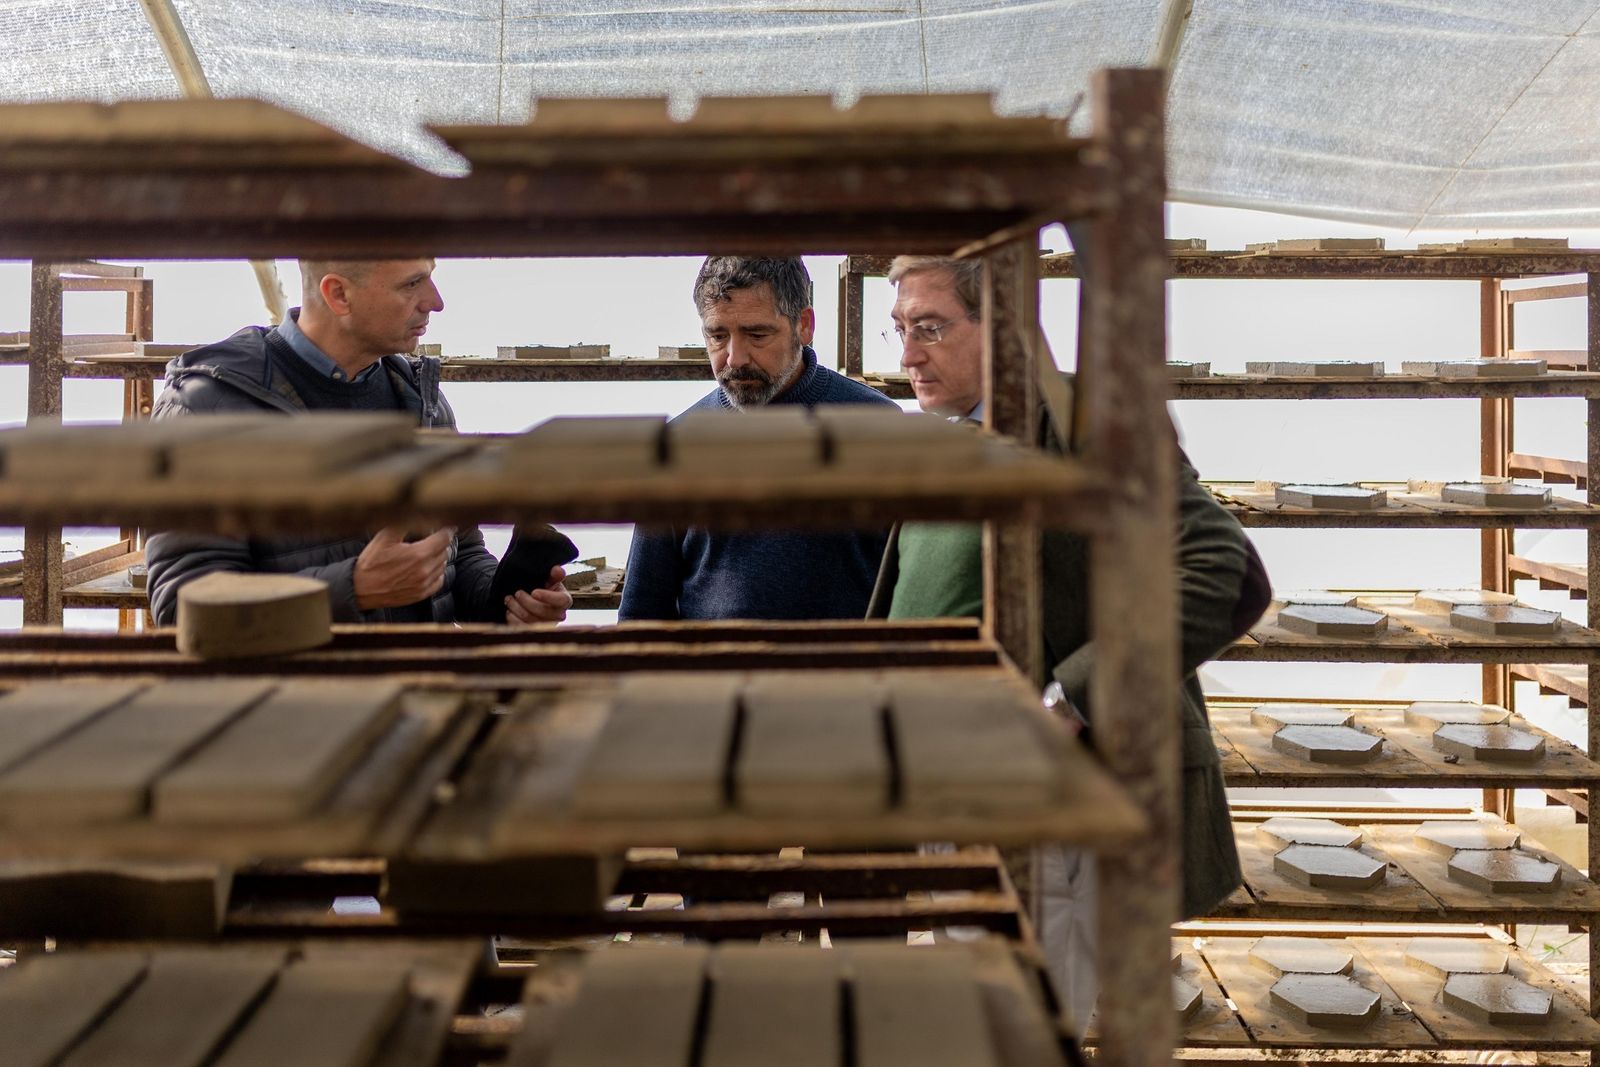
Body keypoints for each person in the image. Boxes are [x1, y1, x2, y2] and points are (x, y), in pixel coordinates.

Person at [866, 253, 1270, 1023]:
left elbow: (1224, 568)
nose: (908, 355)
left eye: (930, 328)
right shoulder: (951, 436)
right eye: (899, 331)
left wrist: (1070, 695)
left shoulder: (1086, 418)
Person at [144, 258, 573, 627]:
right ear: (339, 295)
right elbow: (182, 607)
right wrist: (355, 589)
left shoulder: (421, 401)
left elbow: (459, 553)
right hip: (286, 715)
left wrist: (506, 604)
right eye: (411, 283)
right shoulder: (205, 408)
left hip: (418, 704)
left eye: (430, 276)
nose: (435, 301)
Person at [619, 256, 898, 620]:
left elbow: (908, 597)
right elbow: (642, 612)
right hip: (716, 676)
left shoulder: (879, 428)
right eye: (717, 336)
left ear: (804, 325)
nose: (735, 358)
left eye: (756, 335)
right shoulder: (677, 445)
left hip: (851, 675)